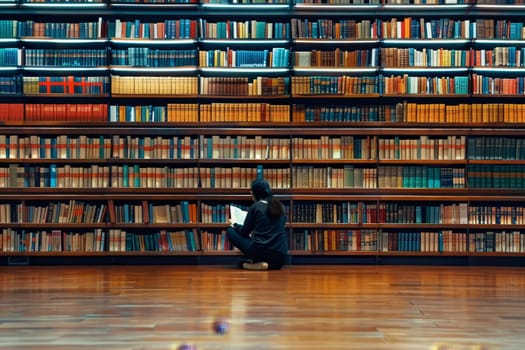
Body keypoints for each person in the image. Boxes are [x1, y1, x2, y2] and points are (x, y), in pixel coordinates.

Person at [226, 178, 288, 271]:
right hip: (280, 258)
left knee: (230, 231)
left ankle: (250, 264)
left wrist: (234, 224)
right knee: (261, 245)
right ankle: (263, 264)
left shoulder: (256, 206)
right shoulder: (280, 206)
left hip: (261, 252)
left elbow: (244, 232)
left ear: (253, 193)